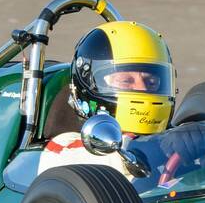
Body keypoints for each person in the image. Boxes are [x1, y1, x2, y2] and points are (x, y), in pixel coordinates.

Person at [39, 21, 176, 176]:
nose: (143, 89)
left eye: (152, 82)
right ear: (90, 84)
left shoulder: (172, 141)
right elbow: (107, 161)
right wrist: (152, 150)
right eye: (126, 81)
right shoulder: (61, 149)